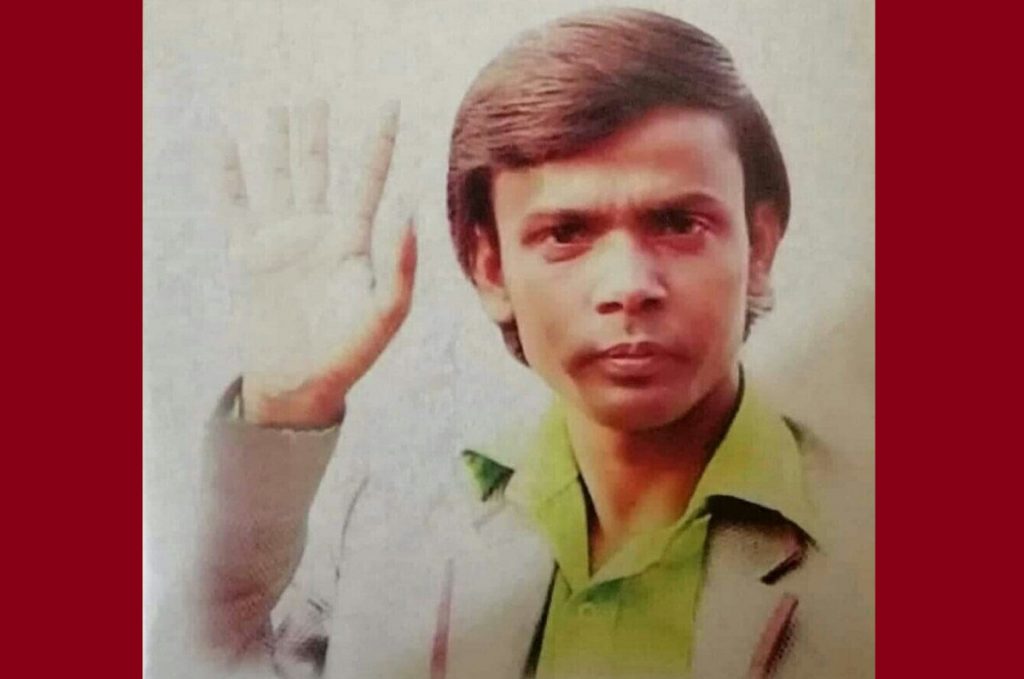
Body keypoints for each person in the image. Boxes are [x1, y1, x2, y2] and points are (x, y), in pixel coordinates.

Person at [199, 7, 873, 678]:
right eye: (566, 233)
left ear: (760, 247)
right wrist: (281, 412)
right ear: (490, 269)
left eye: (677, 223)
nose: (629, 286)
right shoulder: (382, 535)